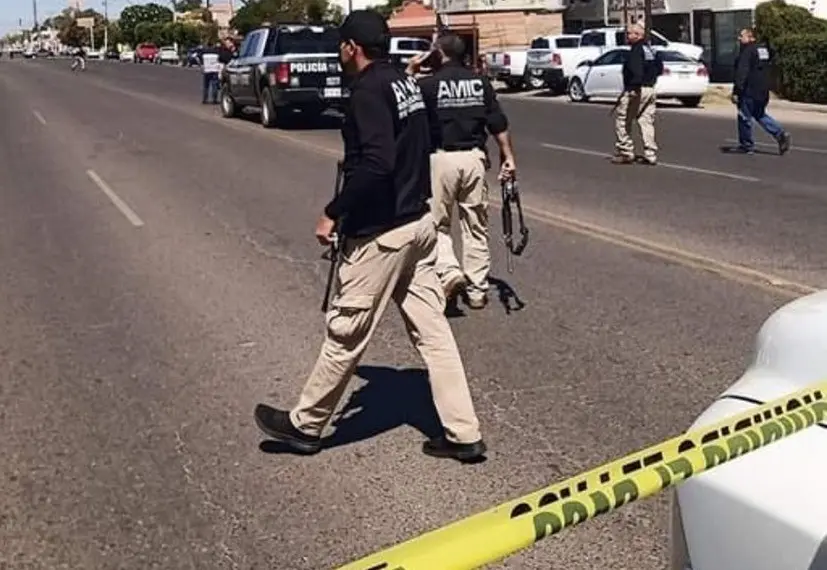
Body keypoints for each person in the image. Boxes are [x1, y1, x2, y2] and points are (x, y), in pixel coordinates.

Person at [253, 10, 487, 463]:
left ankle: (306, 425)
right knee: (434, 332)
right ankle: (463, 433)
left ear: (350, 48)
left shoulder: (367, 91)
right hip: (417, 226)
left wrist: (333, 213)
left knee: (346, 332)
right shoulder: (403, 83)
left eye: (341, 46)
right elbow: (421, 145)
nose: (339, 53)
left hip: (384, 235)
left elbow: (376, 163)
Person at [405, 34, 515, 310]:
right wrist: (508, 157)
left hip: (440, 160)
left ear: (438, 54)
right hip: (474, 159)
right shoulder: (480, 83)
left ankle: (449, 270)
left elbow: (407, 116)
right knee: (475, 227)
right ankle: (477, 290)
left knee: (436, 224)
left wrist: (410, 71)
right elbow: (497, 123)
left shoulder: (426, 86)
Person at [731, 27, 791, 155]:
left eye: (742, 36)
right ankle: (780, 133)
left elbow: (742, 72)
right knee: (759, 114)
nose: (739, 38)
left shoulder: (747, 52)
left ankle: (746, 145)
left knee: (744, 117)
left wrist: (737, 91)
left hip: (749, 90)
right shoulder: (763, 50)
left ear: (751, 37)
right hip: (763, 91)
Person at [612, 22, 662, 166]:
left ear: (638, 35)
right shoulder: (650, 49)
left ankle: (625, 151)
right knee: (646, 120)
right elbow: (659, 67)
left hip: (637, 89)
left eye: (630, 33)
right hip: (650, 89)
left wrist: (634, 87)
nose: (628, 36)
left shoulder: (636, 50)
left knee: (623, 119)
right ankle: (650, 153)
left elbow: (636, 69)